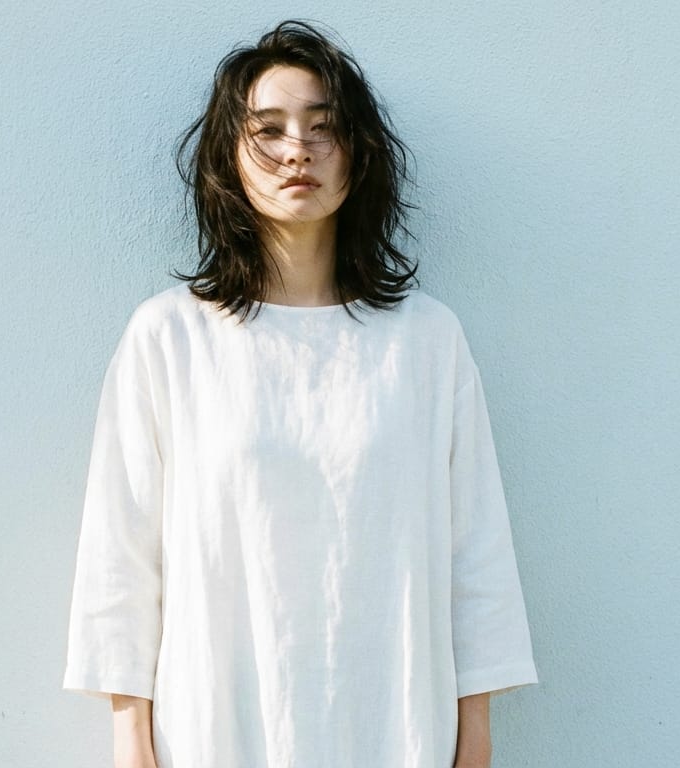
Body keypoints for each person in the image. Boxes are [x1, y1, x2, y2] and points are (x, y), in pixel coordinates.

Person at [63, 20, 538, 768]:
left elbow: (474, 549)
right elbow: (120, 552)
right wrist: (131, 737)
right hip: (215, 727)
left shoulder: (424, 341)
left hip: (394, 722)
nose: (297, 151)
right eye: (269, 130)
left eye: (323, 129)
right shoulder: (170, 338)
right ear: (229, 154)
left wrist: (474, 731)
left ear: (359, 153)